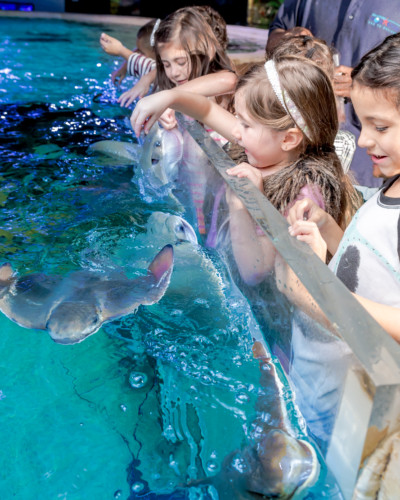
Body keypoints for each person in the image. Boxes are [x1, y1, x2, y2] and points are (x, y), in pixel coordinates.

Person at [130, 55, 359, 286]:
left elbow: (255, 271)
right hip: (219, 269)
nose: (236, 132)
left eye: (246, 124)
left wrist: (243, 202)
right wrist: (170, 97)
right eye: (237, 118)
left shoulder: (302, 195)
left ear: (289, 138)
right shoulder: (269, 148)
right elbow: (207, 109)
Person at [284, 32, 400, 343]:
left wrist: (318, 294)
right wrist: (326, 226)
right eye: (361, 125)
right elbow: (371, 262)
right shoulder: (392, 187)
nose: (362, 140)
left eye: (381, 127)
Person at [266, 0, 400, 188]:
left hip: (366, 164)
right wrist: (289, 40)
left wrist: (364, 84)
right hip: (295, 146)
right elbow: (275, 36)